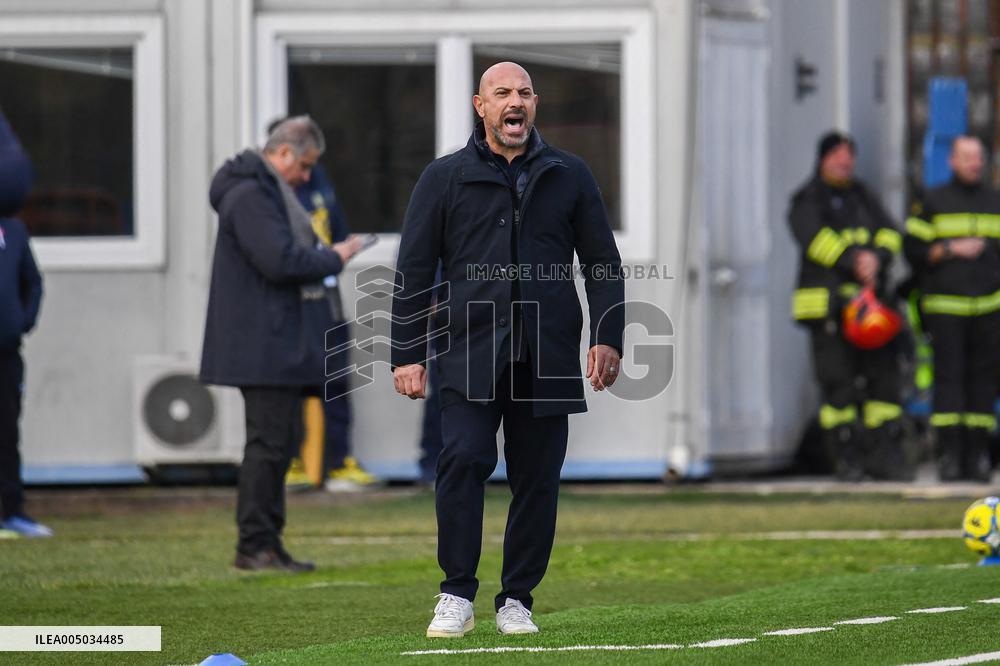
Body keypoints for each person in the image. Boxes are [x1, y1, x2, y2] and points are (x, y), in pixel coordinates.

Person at [391, 62, 625, 637]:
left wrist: (608, 336)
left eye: (523, 93)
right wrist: (406, 352)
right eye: (502, 94)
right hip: (467, 350)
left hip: (544, 354)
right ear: (481, 106)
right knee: (464, 460)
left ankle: (516, 599)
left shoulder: (570, 174)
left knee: (537, 479)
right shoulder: (443, 178)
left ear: (534, 104)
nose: (513, 102)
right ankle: (456, 594)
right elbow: (414, 270)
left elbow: (602, 264)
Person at [200, 116, 363, 571]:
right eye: (305, 165)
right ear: (284, 153)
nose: (307, 177)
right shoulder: (250, 194)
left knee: (278, 442)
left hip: (273, 341)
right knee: (268, 446)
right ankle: (254, 546)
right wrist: (334, 256)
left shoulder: (259, 190)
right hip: (262, 344)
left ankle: (268, 544)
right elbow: (280, 261)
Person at [788, 131, 908, 481]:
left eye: (848, 157)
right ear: (823, 160)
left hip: (872, 313)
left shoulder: (863, 195)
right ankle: (845, 461)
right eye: (837, 157)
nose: (844, 163)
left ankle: (883, 459)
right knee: (838, 388)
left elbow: (890, 232)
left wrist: (879, 258)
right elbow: (814, 240)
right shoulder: (807, 199)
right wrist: (855, 261)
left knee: (882, 387)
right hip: (828, 312)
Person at [904, 135, 1000, 482]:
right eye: (966, 157)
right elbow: (912, 250)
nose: (974, 163)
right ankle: (949, 458)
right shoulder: (933, 200)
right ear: (952, 161)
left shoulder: (995, 201)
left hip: (989, 308)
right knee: (948, 382)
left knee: (983, 385)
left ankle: (976, 459)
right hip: (946, 308)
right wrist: (949, 249)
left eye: (978, 157)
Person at [0, 110, 48, 538]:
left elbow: (33, 283)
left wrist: (22, 322)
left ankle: (11, 511)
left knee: (6, 434)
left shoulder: (13, 232)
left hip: (6, 352)